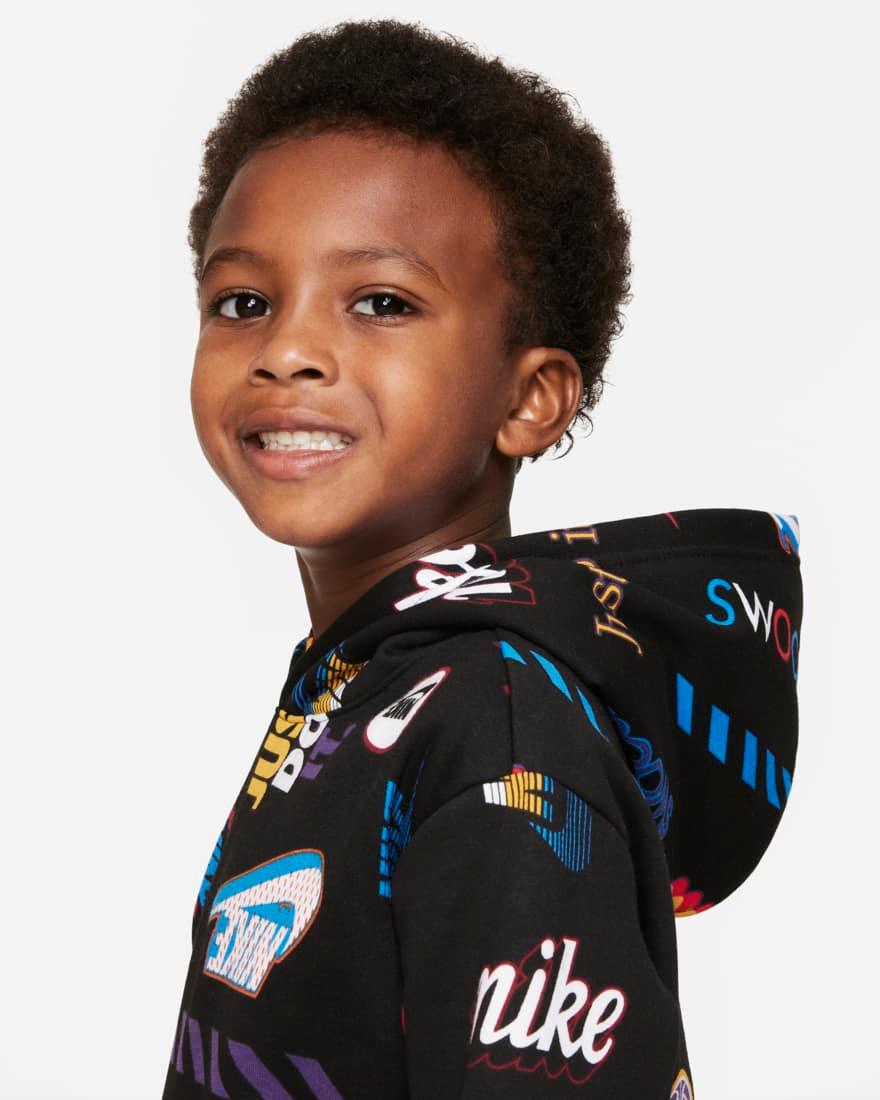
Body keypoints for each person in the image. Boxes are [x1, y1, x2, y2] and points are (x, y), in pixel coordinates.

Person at [162, 18, 802, 1099]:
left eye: (381, 303)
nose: (286, 350)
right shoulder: (376, 685)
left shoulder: (494, 725)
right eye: (243, 302)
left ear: (529, 398)